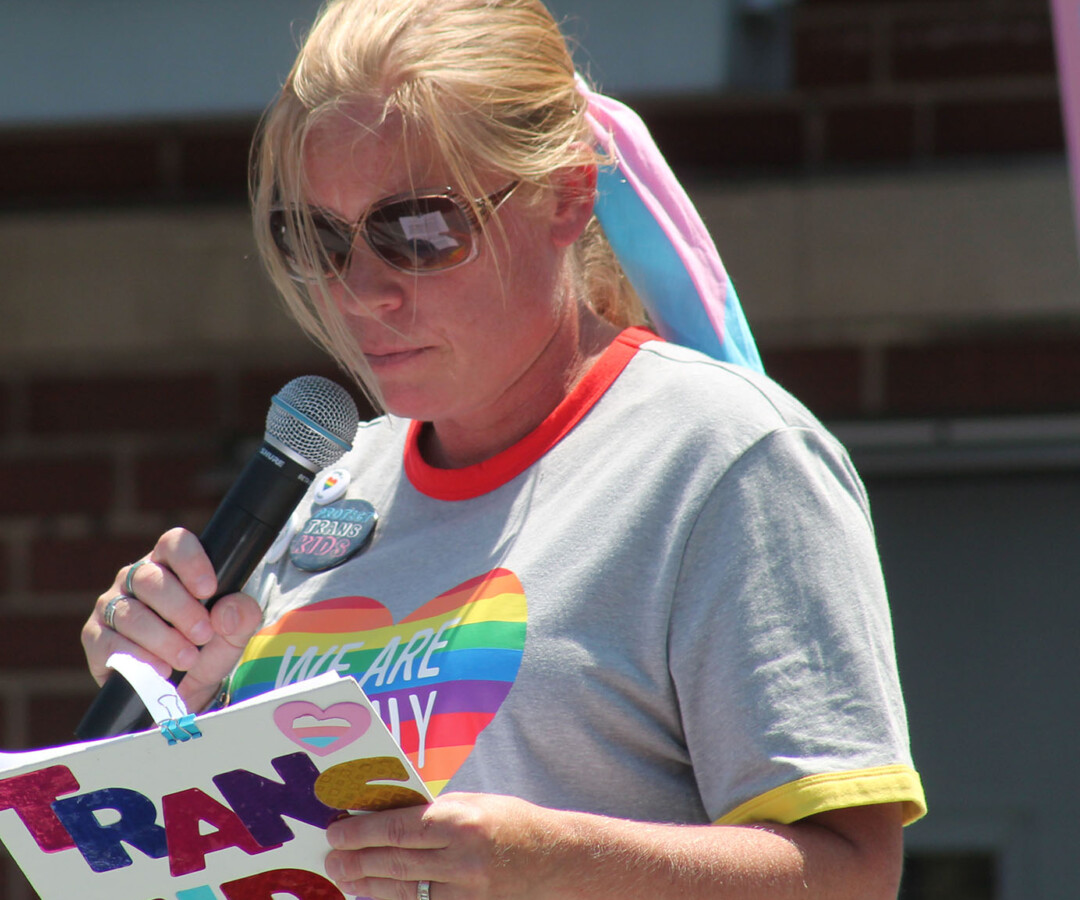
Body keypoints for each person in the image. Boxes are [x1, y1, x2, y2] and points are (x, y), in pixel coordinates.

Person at [80, 0, 926, 897]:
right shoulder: (329, 486)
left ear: (566, 196)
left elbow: (852, 872)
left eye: (419, 231)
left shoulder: (726, 457)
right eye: (319, 238)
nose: (364, 292)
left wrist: (557, 861)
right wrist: (174, 705)